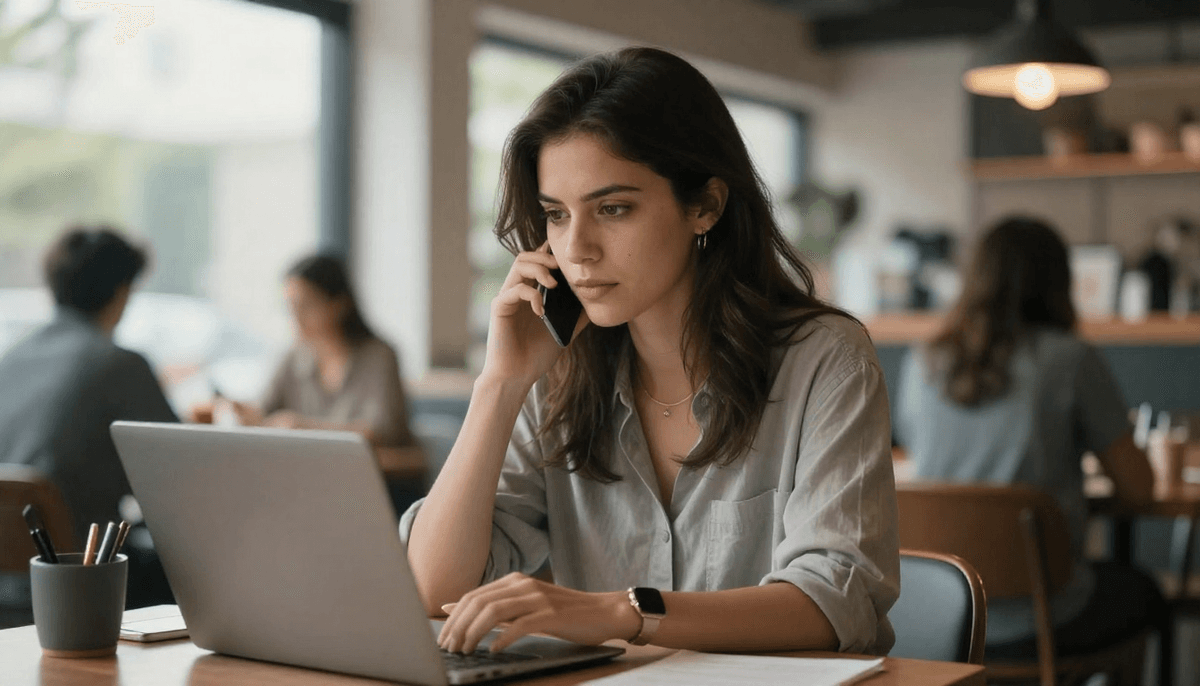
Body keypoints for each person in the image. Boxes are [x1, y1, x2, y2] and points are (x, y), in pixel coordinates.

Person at [402, 47, 899, 657]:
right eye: (556, 215)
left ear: (705, 206)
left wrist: (621, 613)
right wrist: (500, 384)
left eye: (613, 209)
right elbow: (434, 590)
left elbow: (833, 602)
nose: (576, 248)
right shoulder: (554, 376)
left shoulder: (825, 360)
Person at [896, 216, 1165, 659]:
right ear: (1060, 282)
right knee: (1143, 591)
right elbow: (1140, 489)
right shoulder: (1070, 360)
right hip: (1041, 617)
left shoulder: (923, 361)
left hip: (940, 620)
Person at [0, 225, 178, 612]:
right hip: (84, 584)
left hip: (9, 588)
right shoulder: (118, 364)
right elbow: (183, 484)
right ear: (122, 291)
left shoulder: (10, 362)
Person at [193, 254, 425, 510]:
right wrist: (239, 411)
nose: (296, 317)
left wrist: (303, 428)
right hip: (311, 484)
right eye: (290, 306)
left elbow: (379, 432)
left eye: (306, 305)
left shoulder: (379, 356)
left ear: (338, 304)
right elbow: (265, 410)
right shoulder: (293, 356)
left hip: (374, 487)